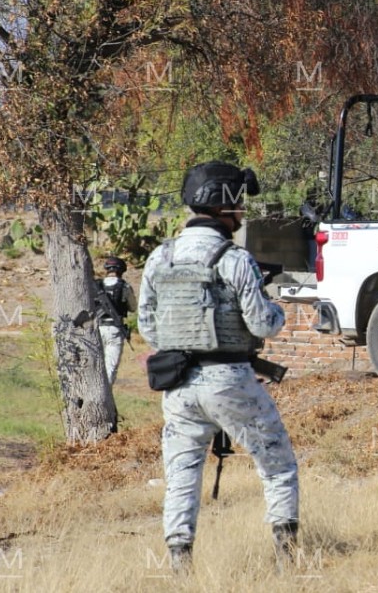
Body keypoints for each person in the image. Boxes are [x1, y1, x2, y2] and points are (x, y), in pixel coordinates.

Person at [137, 161, 299, 572]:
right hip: (230, 380)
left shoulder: (160, 257)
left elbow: (148, 328)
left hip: (178, 386)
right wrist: (278, 310)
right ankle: (288, 559)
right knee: (277, 464)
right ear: (223, 207)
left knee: (181, 475)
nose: (242, 211)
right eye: (239, 204)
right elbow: (262, 324)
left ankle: (180, 564)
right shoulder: (235, 258)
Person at [95, 256, 137, 386]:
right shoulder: (124, 286)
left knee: (95, 366)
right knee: (110, 368)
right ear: (122, 270)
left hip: (96, 329)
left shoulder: (96, 285)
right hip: (114, 330)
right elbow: (133, 307)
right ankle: (105, 394)